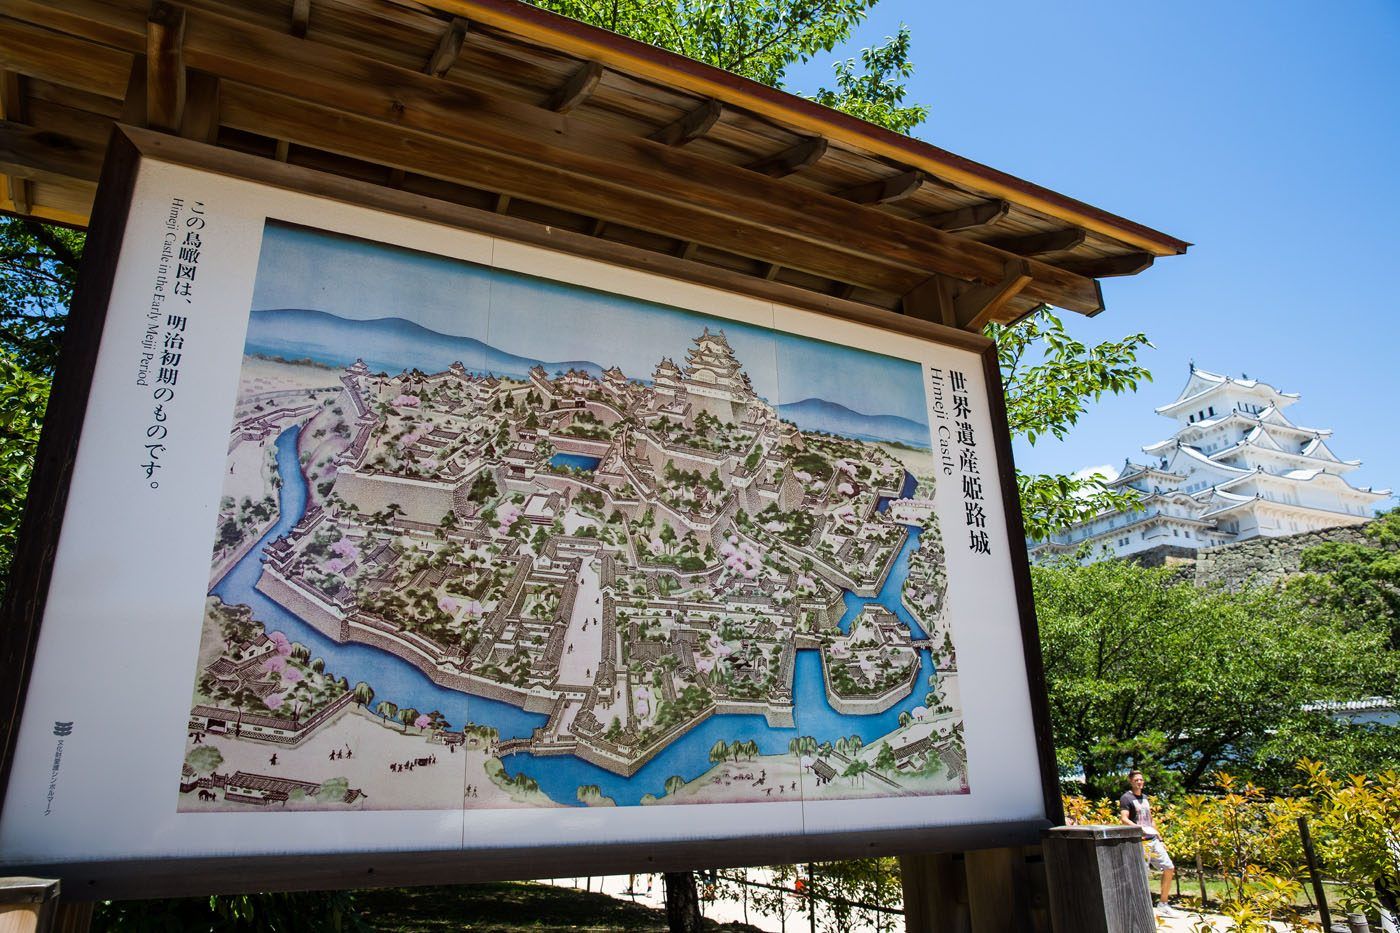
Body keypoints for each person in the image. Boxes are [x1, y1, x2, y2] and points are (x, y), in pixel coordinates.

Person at [1120, 770, 1179, 917]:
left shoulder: (1145, 798)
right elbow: (1124, 819)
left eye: (1141, 780)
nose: (1139, 782)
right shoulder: (1126, 798)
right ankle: (1140, 907)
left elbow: (1150, 818)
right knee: (1142, 875)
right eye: (1136, 780)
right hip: (1140, 842)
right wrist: (1139, 829)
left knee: (1169, 867)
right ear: (1130, 781)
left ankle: (1163, 903)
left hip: (1153, 840)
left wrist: (1158, 836)